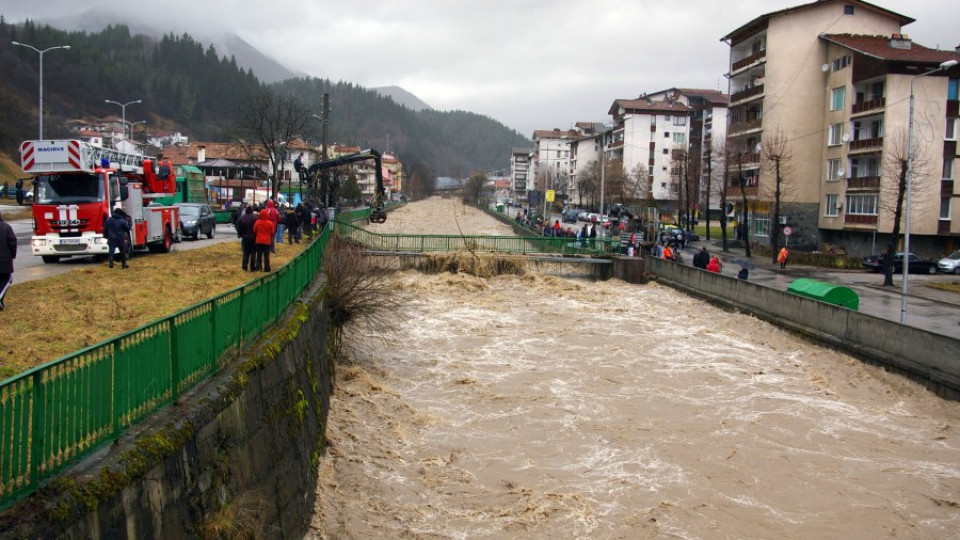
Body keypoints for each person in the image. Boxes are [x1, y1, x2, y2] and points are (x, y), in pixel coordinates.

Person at [0, 212, 16, 310]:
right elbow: (12, 242)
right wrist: (12, 255)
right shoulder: (6, 227)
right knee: (7, 280)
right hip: (4, 261)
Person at [253, 206, 276, 272]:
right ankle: (267, 268)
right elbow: (272, 232)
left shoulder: (258, 222)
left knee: (259, 255)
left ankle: (258, 267)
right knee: (266, 256)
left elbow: (254, 230)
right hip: (267, 241)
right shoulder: (270, 223)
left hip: (259, 241)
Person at [235, 205, 257, 271]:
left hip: (245, 238)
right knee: (253, 253)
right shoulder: (255, 218)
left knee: (245, 253)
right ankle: (252, 267)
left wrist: (240, 234)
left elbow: (239, 228)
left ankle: (244, 267)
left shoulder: (242, 218)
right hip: (253, 238)